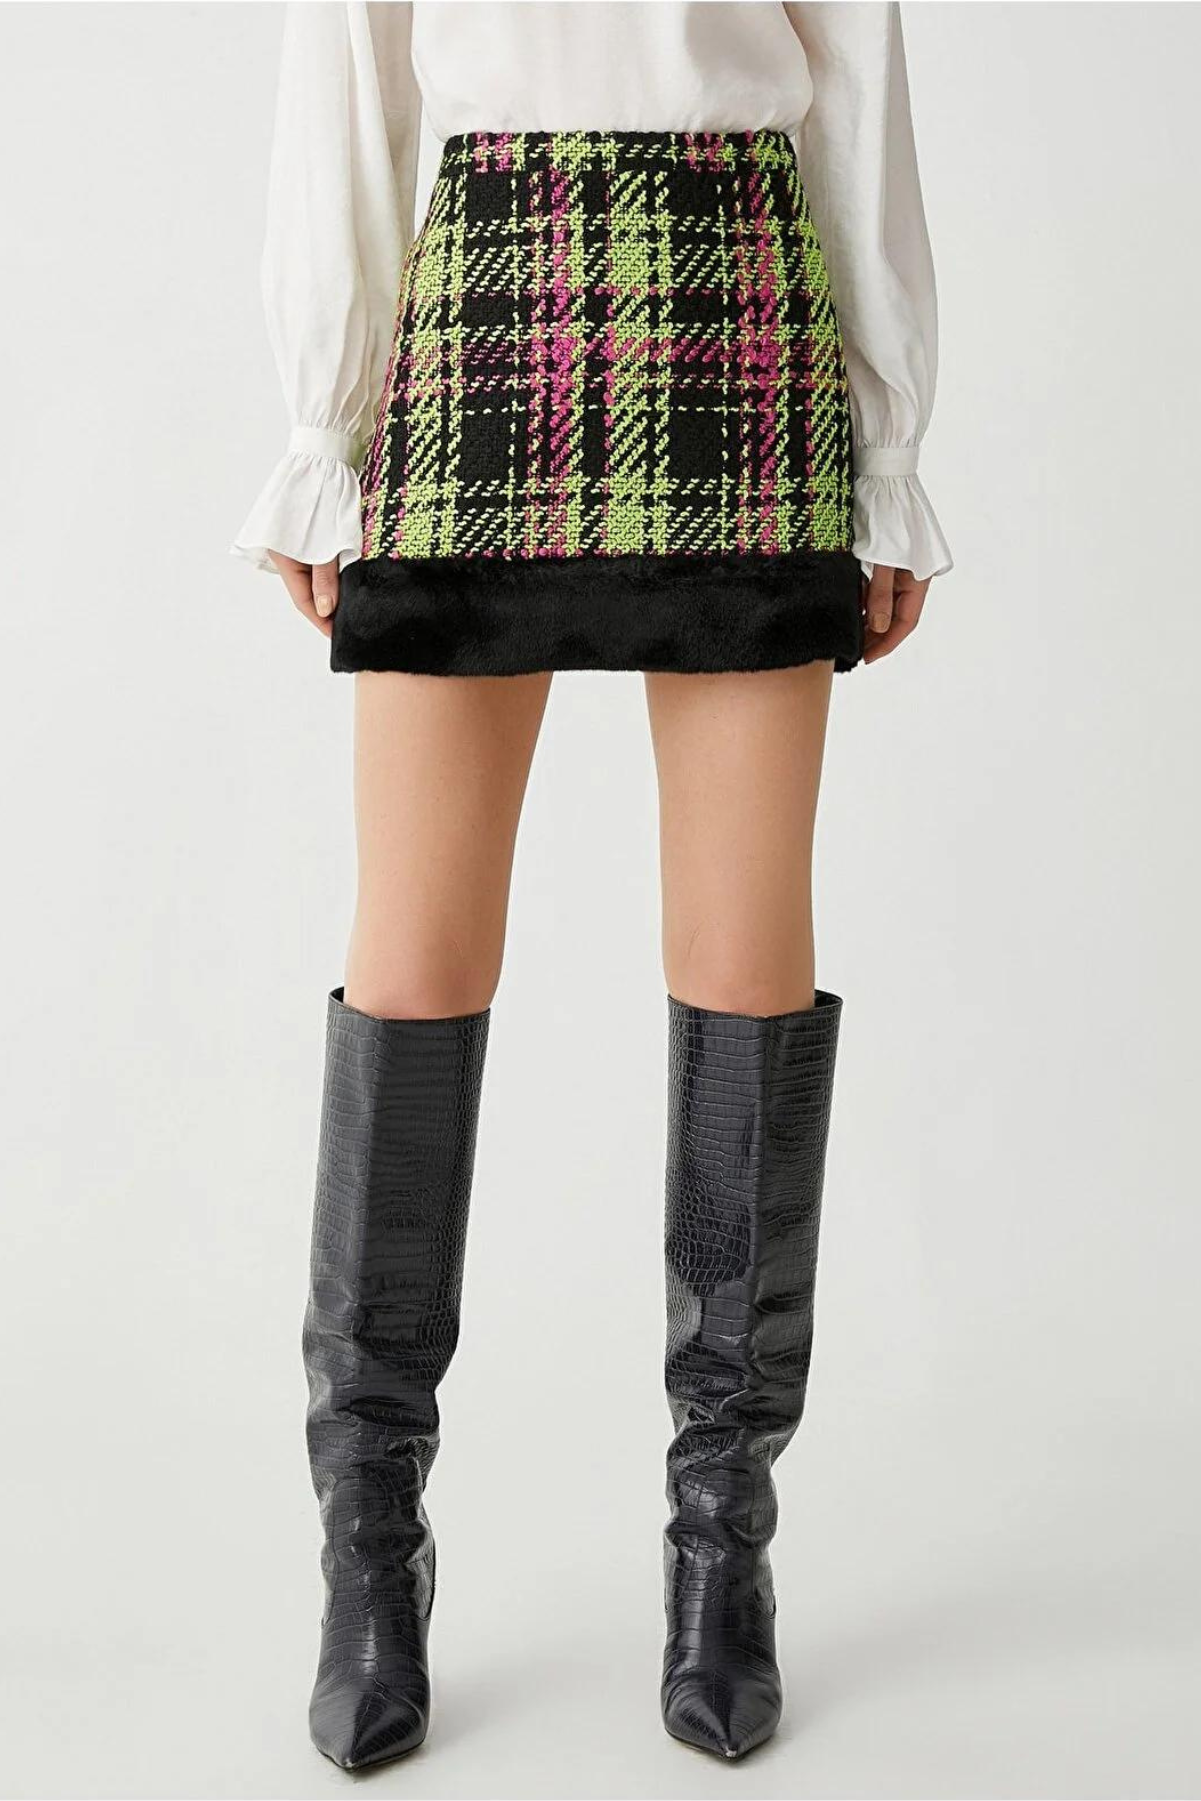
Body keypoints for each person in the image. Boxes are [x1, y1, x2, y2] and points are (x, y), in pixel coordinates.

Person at [233, 0, 951, 1771]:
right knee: (413, 961)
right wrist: (324, 430)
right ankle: (369, 1556)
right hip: (482, 296)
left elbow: (856, 75)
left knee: (743, 956)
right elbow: (347, 64)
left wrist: (884, 448)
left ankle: (723, 1549)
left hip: (741, 299)